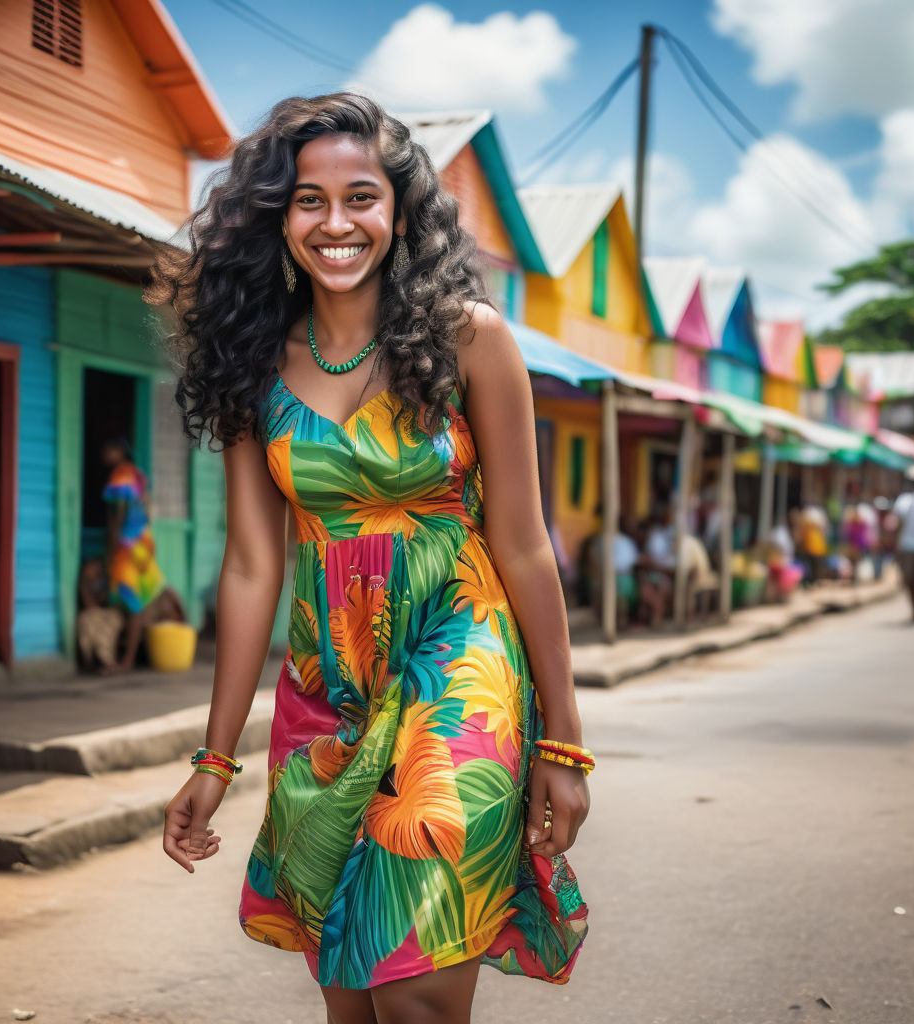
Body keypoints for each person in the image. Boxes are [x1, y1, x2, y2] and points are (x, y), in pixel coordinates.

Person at [148, 93, 591, 1021]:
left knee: (418, 992)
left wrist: (564, 741)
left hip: (461, 659)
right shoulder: (252, 360)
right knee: (350, 993)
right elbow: (249, 567)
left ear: (399, 214)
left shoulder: (471, 337)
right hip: (332, 681)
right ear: (278, 217)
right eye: (309, 200)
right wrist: (214, 757)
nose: (336, 223)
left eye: (361, 197)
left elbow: (521, 541)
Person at [100, 438, 186, 672]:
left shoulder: (120, 476)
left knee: (134, 603)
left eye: (107, 448)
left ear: (119, 450)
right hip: (144, 543)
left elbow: (118, 515)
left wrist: (112, 549)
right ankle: (131, 657)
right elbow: (146, 513)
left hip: (129, 546)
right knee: (140, 600)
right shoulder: (138, 475)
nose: (103, 454)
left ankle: (126, 660)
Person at [893, 470, 914, 623]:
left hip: (908, 546)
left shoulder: (904, 500)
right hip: (909, 545)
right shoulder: (904, 501)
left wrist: (895, 548)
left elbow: (897, 525)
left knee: (910, 581)